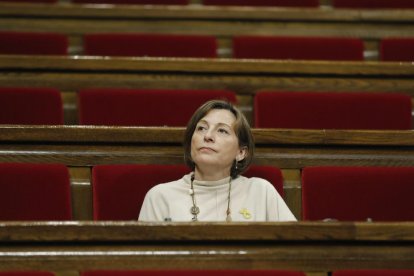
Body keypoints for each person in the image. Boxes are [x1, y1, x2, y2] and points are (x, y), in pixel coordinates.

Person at [138, 100, 296, 222]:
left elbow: (295, 250)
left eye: (222, 130)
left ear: (241, 152)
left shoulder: (261, 191)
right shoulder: (160, 197)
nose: (207, 136)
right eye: (201, 128)